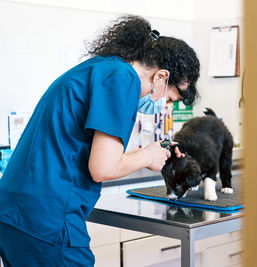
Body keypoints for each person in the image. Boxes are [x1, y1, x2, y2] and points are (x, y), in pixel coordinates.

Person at [0, 15, 200, 266]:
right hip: (47, 219)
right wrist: (147, 156)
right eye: (169, 99)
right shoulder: (123, 78)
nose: (163, 106)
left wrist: (147, 155)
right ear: (161, 76)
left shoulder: (104, 67)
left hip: (17, 213)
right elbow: (102, 168)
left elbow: (87, 152)